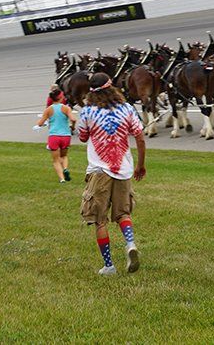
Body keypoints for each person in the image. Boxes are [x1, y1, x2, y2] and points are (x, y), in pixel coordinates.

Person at [78, 73, 146, 276]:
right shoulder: (127, 109)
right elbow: (140, 139)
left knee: (100, 219)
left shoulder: (87, 111)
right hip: (123, 170)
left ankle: (109, 265)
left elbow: (82, 137)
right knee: (123, 213)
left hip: (99, 171)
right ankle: (130, 243)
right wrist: (140, 165)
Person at [35, 89, 77, 183]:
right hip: (66, 135)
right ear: (60, 97)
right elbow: (73, 119)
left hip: (54, 136)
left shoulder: (48, 109)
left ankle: (62, 179)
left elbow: (40, 123)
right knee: (64, 156)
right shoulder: (66, 108)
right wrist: (72, 127)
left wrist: (40, 123)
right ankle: (65, 168)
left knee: (55, 160)